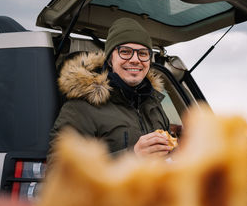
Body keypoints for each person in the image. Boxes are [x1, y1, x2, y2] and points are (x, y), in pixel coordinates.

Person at [49, 18, 173, 159]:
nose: (135, 59)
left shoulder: (154, 104)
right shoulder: (81, 107)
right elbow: (61, 170)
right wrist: (133, 155)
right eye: (125, 52)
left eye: (143, 53)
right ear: (110, 60)